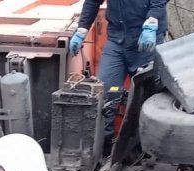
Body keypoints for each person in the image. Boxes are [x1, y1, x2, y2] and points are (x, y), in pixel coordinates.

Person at [69, 0, 168, 139]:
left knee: (146, 97)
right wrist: (82, 29)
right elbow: (92, 2)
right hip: (117, 41)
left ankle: (144, 148)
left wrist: (152, 21)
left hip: (145, 41)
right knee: (106, 91)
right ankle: (105, 144)